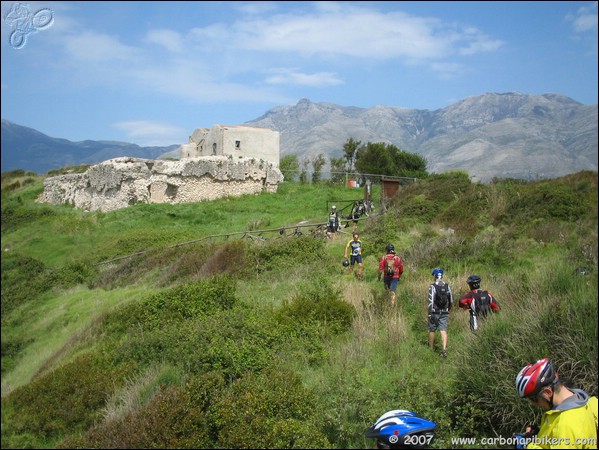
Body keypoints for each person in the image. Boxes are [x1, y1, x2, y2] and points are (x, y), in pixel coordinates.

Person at [514, 357, 598, 449]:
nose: (533, 404)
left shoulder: (566, 425)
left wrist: (526, 445)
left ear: (547, 392)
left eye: (534, 399)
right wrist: (541, 433)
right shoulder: (590, 402)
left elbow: (564, 432)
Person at [427, 268, 453, 358]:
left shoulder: (432, 286)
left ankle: (430, 348)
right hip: (445, 312)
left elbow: (431, 301)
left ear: (435, 276)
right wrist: (448, 309)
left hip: (434, 312)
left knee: (432, 329)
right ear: (442, 276)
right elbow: (451, 300)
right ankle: (444, 349)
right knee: (443, 330)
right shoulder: (447, 286)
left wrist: (430, 312)